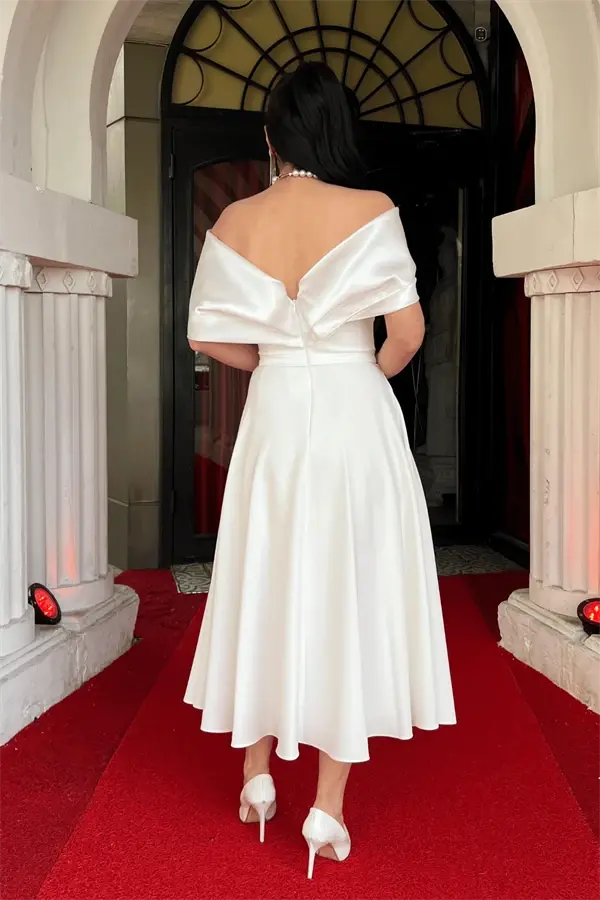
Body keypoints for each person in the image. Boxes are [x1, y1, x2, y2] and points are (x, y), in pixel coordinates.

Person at [184, 61, 456, 879]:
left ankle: (257, 777)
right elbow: (407, 333)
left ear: (271, 138)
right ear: (337, 132)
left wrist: (274, 361)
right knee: (348, 587)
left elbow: (205, 335)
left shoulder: (235, 218)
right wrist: (363, 370)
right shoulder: (371, 211)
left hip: (274, 416)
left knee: (265, 576)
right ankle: (326, 810)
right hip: (352, 411)